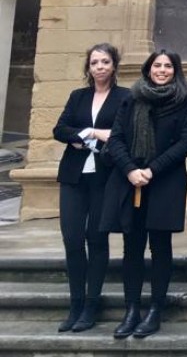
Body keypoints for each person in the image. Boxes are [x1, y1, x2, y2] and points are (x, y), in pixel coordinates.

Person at [102, 50, 187, 339]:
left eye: (168, 66)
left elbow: (186, 142)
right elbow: (116, 137)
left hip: (164, 182)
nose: (162, 70)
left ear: (176, 71)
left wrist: (151, 170)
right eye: (157, 65)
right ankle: (131, 309)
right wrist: (131, 170)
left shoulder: (186, 101)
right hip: (129, 180)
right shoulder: (131, 99)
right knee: (132, 247)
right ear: (148, 69)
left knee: (160, 246)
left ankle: (156, 309)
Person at [53, 43, 129, 333]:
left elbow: (123, 133)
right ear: (89, 67)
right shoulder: (78, 96)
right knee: (72, 239)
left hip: (105, 178)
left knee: (96, 239)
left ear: (113, 66)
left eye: (105, 61)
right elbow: (60, 129)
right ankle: (75, 303)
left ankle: (91, 305)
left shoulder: (125, 97)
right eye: (95, 62)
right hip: (74, 176)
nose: (99, 66)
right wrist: (89, 136)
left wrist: (88, 133)